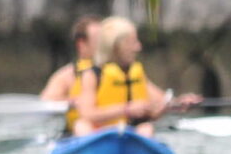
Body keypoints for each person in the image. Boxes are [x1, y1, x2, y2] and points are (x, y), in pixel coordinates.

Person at [71, 16, 199, 136]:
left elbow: (161, 101)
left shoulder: (136, 73)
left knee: (146, 128)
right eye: (132, 42)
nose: (138, 47)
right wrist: (126, 110)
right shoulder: (92, 75)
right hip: (100, 135)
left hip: (130, 133)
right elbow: (87, 114)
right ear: (116, 46)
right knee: (81, 126)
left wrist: (179, 103)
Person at [39, 14, 103, 134]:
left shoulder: (118, 71)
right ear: (81, 44)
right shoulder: (66, 75)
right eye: (99, 40)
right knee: (82, 126)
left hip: (116, 129)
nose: (105, 45)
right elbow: (45, 101)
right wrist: (75, 101)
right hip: (80, 132)